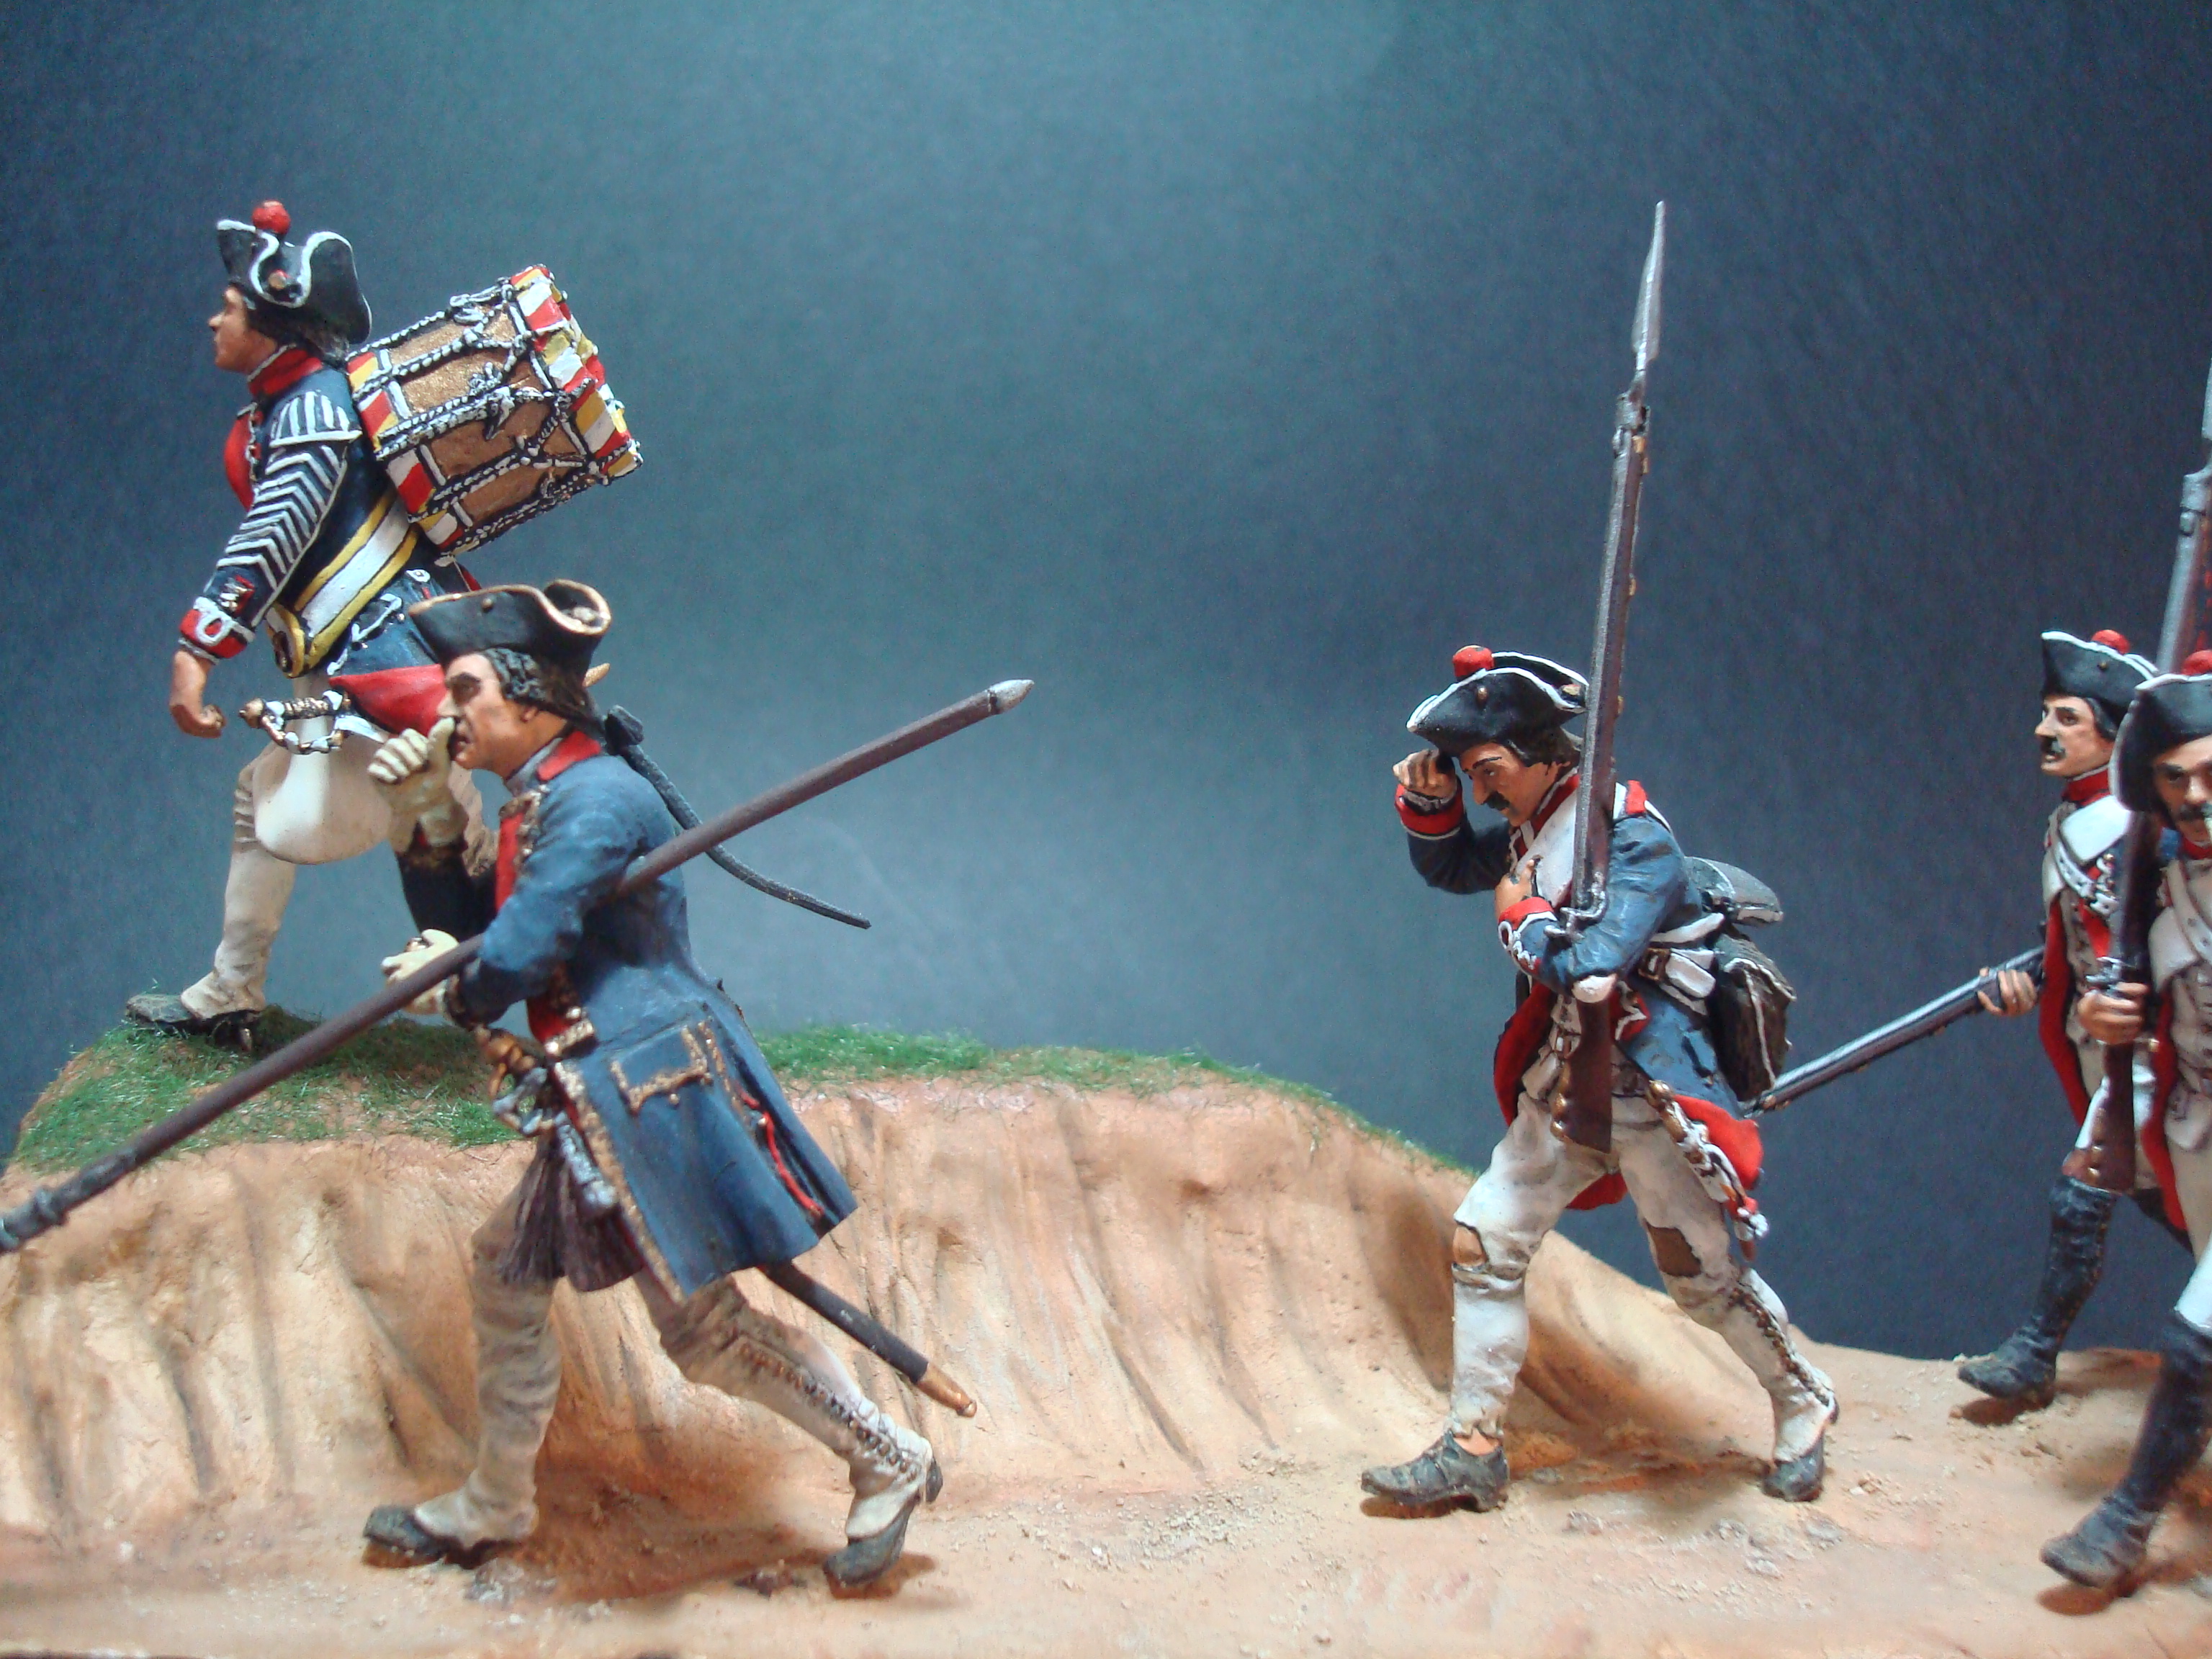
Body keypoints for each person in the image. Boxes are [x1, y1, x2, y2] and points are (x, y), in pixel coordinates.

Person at [361, 580, 938, 1589]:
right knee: (508, 1271)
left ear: (530, 696)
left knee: (702, 1331)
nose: (449, 712)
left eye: (465, 690)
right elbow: (476, 925)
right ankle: (496, 1501)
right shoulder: (545, 795)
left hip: (646, 1089)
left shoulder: (595, 799)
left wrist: (450, 988)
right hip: (602, 1088)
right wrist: (423, 820)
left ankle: (888, 1454)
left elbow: (518, 950)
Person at [1359, 645, 1835, 1514]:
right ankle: (1473, 1450)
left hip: (1648, 1094)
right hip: (1567, 1088)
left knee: (1701, 1280)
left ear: (1540, 754)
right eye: (1473, 775)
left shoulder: (1635, 840)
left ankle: (1803, 1399)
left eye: (1487, 771)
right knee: (1484, 1243)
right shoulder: (1540, 820)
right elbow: (1459, 867)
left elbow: (1592, 965)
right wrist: (1431, 807)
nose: (1482, 791)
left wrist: (1523, 920)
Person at [126, 201, 490, 1042]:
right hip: (359, 660)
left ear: (275, 322)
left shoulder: (315, 408)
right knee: (409, 815)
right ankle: (233, 991)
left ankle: (517, 973)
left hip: (382, 661)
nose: (215, 318)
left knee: (415, 818)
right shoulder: (290, 405)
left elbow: (277, 530)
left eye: (231, 306)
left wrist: (199, 645)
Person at [1961, 629, 2182, 1409]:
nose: (2043, 731)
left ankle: (2034, 1356)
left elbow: (2180, 944)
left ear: (2114, 734)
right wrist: (2029, 982)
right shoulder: (2071, 825)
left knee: (2085, 1185)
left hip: (2160, 1047)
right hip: (2104, 1044)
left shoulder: (2151, 833)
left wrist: (2129, 1002)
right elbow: (2073, 941)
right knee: (2165, 1195)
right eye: (2046, 714)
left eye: (2066, 718)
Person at [2042, 655, 2212, 1589]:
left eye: (2211, 774)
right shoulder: (2162, 877)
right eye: (2176, 778)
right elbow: (2129, 983)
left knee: (2194, 1337)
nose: (2196, 796)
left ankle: (2125, 1523)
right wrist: (2112, 1013)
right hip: (2195, 1130)